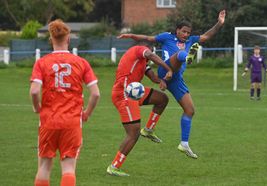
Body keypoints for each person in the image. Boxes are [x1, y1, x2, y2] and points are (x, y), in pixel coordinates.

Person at [117, 10, 226, 159]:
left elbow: (207, 36)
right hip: (165, 69)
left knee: (190, 110)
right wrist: (131, 35)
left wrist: (219, 23)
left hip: (176, 78)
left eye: (188, 32)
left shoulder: (191, 41)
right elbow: (148, 38)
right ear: (177, 30)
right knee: (180, 55)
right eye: (183, 31)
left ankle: (182, 143)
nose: (186, 34)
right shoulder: (167, 37)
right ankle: (188, 58)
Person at [30, 19, 100, 186]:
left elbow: (34, 90)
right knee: (68, 168)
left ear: (50, 39)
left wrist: (36, 106)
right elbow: (96, 94)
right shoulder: (81, 63)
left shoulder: (42, 62)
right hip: (72, 121)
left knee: (45, 166)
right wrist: (87, 113)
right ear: (68, 39)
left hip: (48, 120)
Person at [107, 41, 173, 176]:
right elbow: (150, 54)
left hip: (134, 92)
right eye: (148, 56)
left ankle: (148, 130)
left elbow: (153, 76)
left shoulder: (142, 62)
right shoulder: (139, 50)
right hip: (124, 94)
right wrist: (168, 68)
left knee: (162, 99)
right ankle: (114, 166)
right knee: (133, 133)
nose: (149, 59)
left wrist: (162, 80)